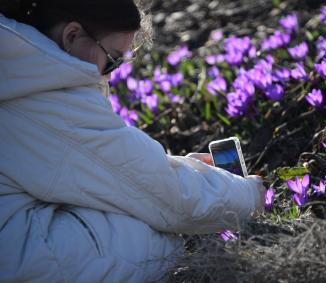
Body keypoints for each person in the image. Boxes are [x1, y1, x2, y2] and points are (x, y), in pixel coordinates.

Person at [0, 1, 266, 282]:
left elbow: (109, 168)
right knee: (153, 236)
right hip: (14, 258)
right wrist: (248, 196)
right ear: (72, 36)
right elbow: (162, 196)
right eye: (112, 59)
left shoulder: (19, 66)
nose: (110, 73)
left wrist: (183, 166)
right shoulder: (47, 99)